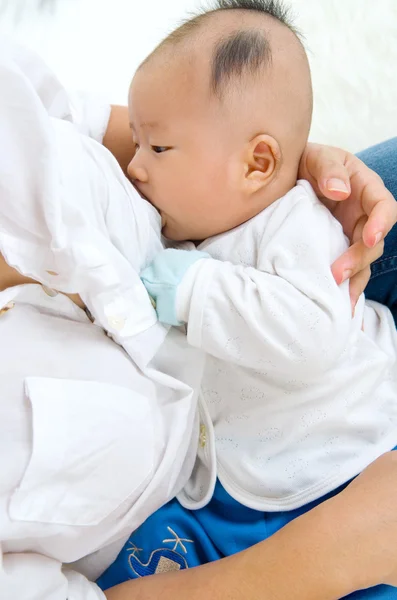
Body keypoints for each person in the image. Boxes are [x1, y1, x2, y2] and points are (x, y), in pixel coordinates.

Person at [1, 16, 397, 600]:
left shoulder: (280, 225)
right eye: (139, 146)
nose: (135, 166)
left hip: (341, 440)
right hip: (246, 493)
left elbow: (315, 330)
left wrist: (281, 165)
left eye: (152, 147)